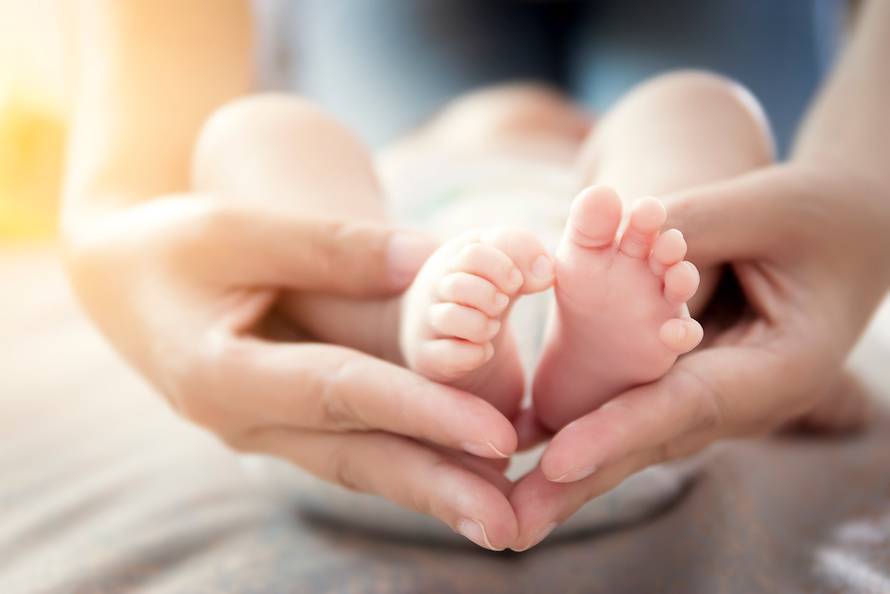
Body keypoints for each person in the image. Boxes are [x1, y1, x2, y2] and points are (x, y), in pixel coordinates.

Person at [62, 0, 889, 551]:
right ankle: (553, 344)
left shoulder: (399, 155)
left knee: (260, 132)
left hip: (433, 238)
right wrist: (115, 209)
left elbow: (797, 313)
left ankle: (421, 328)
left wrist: (858, 202)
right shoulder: (545, 159)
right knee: (698, 109)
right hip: (474, 252)